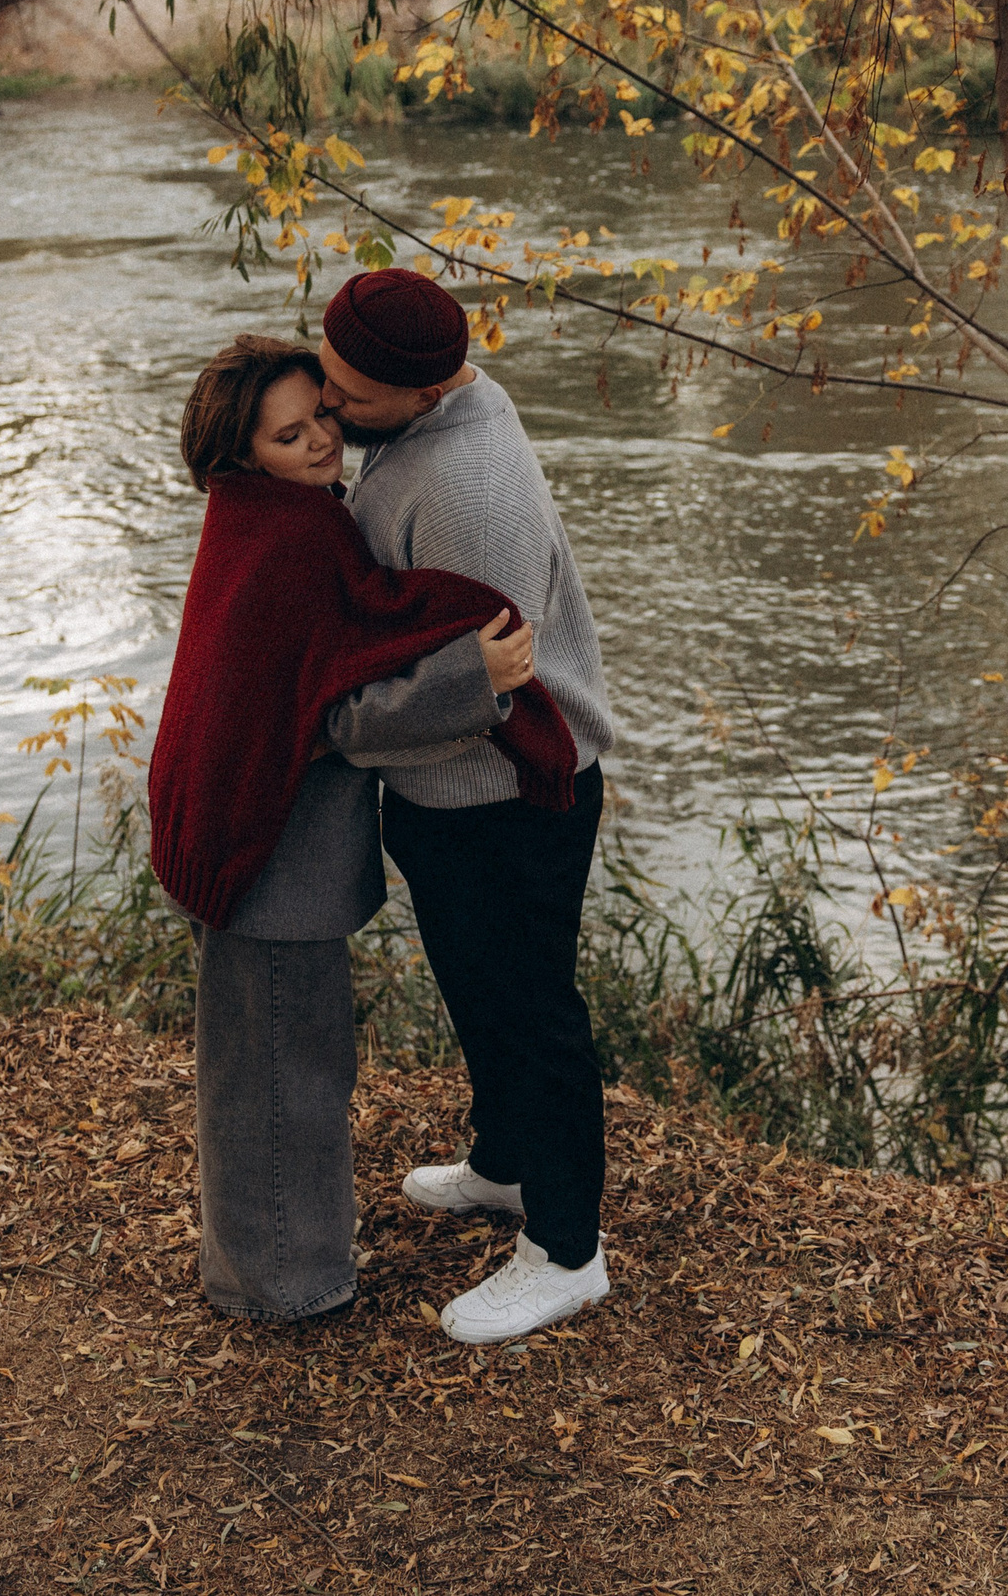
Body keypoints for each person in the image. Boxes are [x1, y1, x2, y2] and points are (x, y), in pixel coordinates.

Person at [147, 335, 578, 1323]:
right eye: (290, 435)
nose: (321, 446)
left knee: (265, 1066)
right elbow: (331, 717)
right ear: (240, 452)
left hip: (239, 837)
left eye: (325, 419)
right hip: (274, 860)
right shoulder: (295, 539)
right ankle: (285, 1290)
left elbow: (313, 673)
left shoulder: (255, 522)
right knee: (283, 1078)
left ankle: (258, 1268)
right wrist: (478, 678)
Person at [313, 269, 622, 1345]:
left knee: (531, 1010)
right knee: (475, 989)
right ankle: (504, 1166)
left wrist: (339, 730)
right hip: (449, 790)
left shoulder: (468, 494)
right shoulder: (421, 422)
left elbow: (482, 692)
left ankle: (567, 1251)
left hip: (506, 788)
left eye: (346, 394)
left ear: (419, 389)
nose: (325, 402)